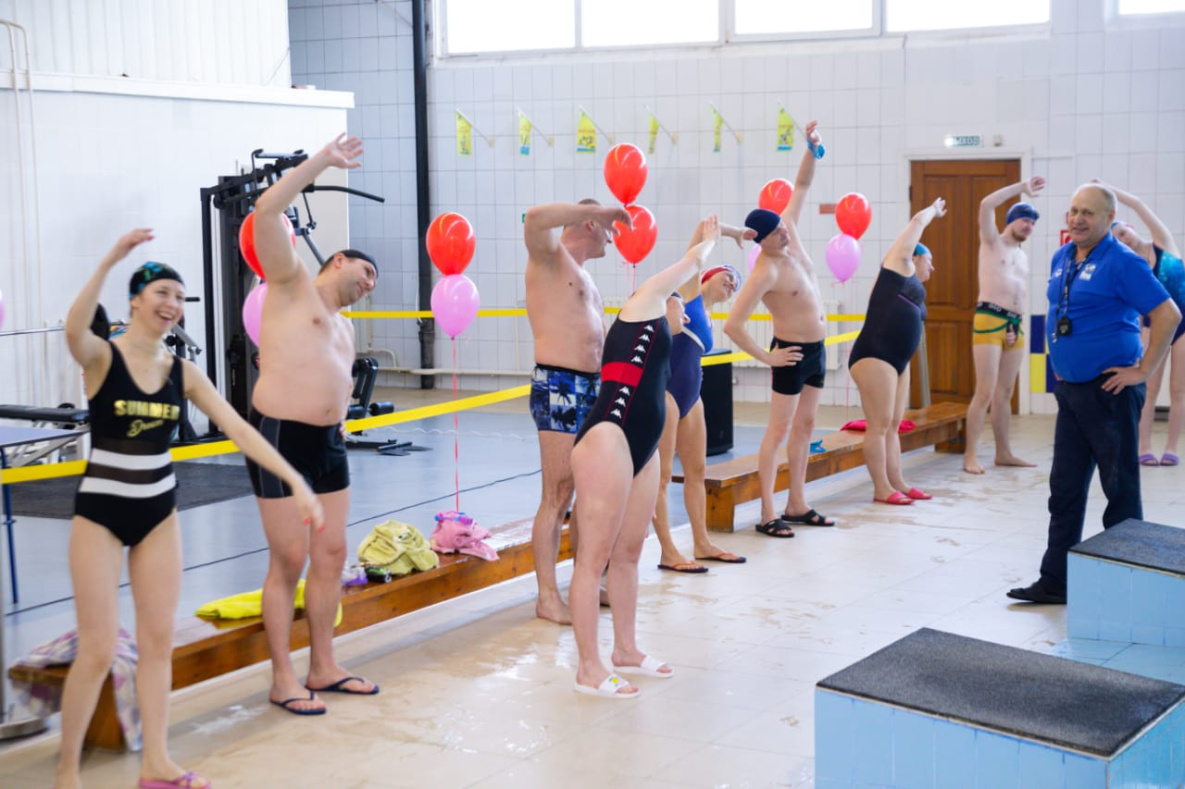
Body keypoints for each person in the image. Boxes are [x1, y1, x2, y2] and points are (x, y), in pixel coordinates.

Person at [58, 230, 324, 789]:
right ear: (136, 299)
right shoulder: (101, 358)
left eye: (179, 297)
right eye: (161, 292)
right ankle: (66, 774)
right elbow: (72, 328)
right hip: (101, 513)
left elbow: (238, 430)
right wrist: (108, 256)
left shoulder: (184, 374)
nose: (171, 304)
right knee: (99, 647)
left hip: (158, 513)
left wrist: (294, 477)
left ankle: (156, 763)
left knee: (156, 645)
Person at [248, 133, 381, 714]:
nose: (369, 283)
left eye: (376, 282)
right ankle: (282, 678)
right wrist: (322, 162)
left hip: (329, 444)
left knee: (330, 555)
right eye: (365, 270)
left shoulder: (347, 329)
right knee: (289, 560)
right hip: (280, 439)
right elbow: (266, 211)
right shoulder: (289, 284)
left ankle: (323, 664)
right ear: (336, 260)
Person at [569, 217, 721, 698]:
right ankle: (588, 668)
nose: (684, 306)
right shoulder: (641, 307)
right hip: (608, 437)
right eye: (679, 300)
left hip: (643, 445)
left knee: (630, 553)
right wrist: (708, 240)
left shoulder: (666, 338)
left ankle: (626, 649)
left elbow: (692, 283)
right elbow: (689, 267)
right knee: (593, 559)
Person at [1008, 184, 1180, 605]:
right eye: (1072, 211)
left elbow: (1168, 314)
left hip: (1110, 393)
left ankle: (1126, 586)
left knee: (1119, 491)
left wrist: (1143, 370)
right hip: (1070, 393)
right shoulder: (1062, 256)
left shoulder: (1122, 261)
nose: (1078, 219)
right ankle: (1056, 581)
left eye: (1088, 212)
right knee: (1064, 489)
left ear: (1108, 219)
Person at [524, 199, 630, 623]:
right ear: (592, 222)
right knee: (558, 491)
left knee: (589, 489)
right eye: (608, 228)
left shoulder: (585, 276)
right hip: (559, 384)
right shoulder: (549, 259)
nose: (613, 236)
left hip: (592, 388)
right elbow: (533, 217)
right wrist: (604, 207)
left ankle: (583, 581)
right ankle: (546, 597)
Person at [724, 120, 829, 538]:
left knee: (806, 427)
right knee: (779, 430)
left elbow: (801, 186)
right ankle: (768, 512)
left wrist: (811, 147)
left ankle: (797, 502)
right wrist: (768, 357)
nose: (785, 232)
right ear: (759, 240)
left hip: (817, 352)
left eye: (784, 228)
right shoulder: (764, 272)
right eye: (776, 233)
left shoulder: (791, 235)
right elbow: (733, 324)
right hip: (791, 353)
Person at [651, 219, 747, 573]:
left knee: (697, 471)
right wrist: (734, 233)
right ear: (707, 278)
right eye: (727, 278)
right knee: (661, 476)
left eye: (736, 284)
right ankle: (667, 550)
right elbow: (696, 242)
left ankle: (702, 542)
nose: (732, 285)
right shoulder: (689, 295)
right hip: (668, 394)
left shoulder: (704, 314)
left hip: (692, 397)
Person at [848, 198, 948, 505]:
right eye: (929, 260)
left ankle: (898, 482)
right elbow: (917, 223)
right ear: (915, 258)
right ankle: (881, 488)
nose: (932, 266)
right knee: (878, 426)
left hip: (897, 360)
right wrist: (933, 211)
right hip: (874, 355)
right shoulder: (898, 264)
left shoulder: (908, 283)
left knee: (893, 424)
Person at [1098, 181, 1185, 468]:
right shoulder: (1130, 267)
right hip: (1152, 325)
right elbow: (1133, 310)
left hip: (1182, 324)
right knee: (1148, 389)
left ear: (1132, 227)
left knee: (1178, 390)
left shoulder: (1163, 243)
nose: (1124, 239)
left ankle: (1172, 446)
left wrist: (1107, 189)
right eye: (1118, 239)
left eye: (1124, 232)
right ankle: (1143, 445)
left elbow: (1138, 204)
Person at [963, 177, 1045, 474]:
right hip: (989, 318)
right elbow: (986, 204)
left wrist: (1015, 325)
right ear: (1011, 221)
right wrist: (1021, 186)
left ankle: (1004, 452)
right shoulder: (992, 242)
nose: (1029, 227)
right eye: (1025, 220)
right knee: (984, 390)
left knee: (1005, 391)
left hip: (1015, 324)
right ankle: (970, 455)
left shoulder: (1022, 256)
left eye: (1033, 223)